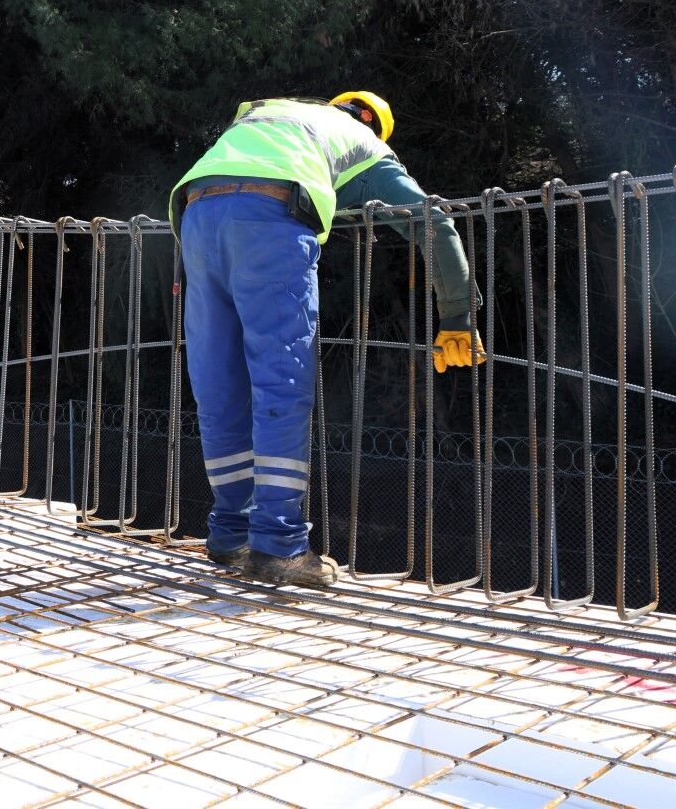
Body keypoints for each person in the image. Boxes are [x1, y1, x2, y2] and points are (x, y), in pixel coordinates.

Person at [168, 92, 484, 586]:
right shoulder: (366, 145)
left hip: (196, 213)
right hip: (269, 218)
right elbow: (433, 223)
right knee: (281, 382)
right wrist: (457, 315)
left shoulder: (272, 114)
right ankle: (278, 544)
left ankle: (231, 533)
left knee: (219, 384)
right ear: (374, 127)